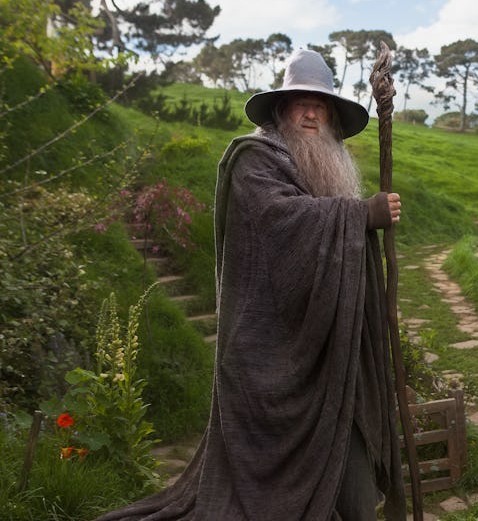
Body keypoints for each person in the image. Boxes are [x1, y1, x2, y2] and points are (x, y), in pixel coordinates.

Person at [95, 49, 406, 520]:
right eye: (300, 102)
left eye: (319, 105)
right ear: (281, 109)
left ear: (331, 117)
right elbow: (280, 220)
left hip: (330, 350)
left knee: (355, 485)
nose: (309, 113)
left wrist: (360, 221)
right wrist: (361, 214)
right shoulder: (253, 160)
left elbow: (331, 248)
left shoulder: (330, 169)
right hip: (266, 351)